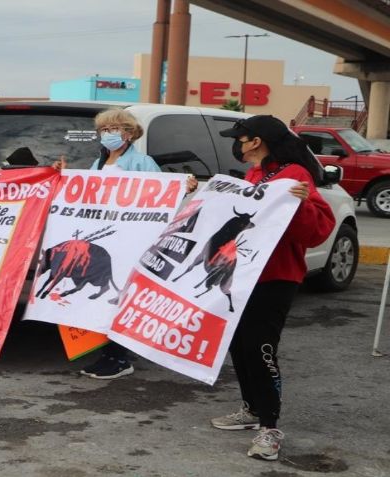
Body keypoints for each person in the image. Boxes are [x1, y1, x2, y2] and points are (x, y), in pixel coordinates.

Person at [210, 115, 335, 461]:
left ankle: (270, 426)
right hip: (242, 275)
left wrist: (303, 204)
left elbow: (318, 231)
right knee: (239, 345)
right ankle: (250, 409)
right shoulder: (253, 174)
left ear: (256, 141)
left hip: (275, 278)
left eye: (241, 138)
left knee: (260, 347)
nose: (236, 144)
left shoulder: (295, 175)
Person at [53, 109, 198, 380]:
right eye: (104, 129)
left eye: (115, 128)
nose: (108, 134)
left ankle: (120, 357)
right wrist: (62, 176)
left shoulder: (143, 162)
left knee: (119, 298)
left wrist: (183, 188)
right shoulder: (98, 164)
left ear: (129, 133)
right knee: (104, 300)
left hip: (128, 242)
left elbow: (161, 198)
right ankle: (107, 354)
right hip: (103, 239)